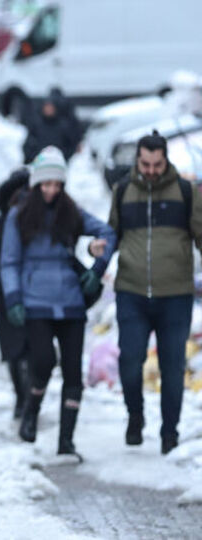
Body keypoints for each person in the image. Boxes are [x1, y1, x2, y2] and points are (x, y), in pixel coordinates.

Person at [1, 146, 116, 461]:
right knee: (42, 362)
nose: (51, 190)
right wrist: (14, 298)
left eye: (57, 184)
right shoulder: (19, 215)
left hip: (71, 304)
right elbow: (9, 262)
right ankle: (31, 414)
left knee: (73, 374)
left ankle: (66, 442)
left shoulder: (72, 213)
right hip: (36, 302)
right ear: (36, 184)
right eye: (46, 184)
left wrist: (97, 269)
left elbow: (107, 232)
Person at [104, 131, 202, 454]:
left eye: (156, 164)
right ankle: (135, 416)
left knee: (172, 366)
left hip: (175, 295)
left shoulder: (185, 192)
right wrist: (97, 250)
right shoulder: (122, 192)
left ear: (165, 160)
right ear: (138, 160)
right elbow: (111, 236)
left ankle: (169, 433)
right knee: (130, 360)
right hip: (131, 291)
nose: (150, 170)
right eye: (144, 164)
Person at [0, 167, 31, 419]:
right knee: (14, 352)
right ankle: (21, 397)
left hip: (36, 296)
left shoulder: (38, 225)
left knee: (34, 351)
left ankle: (31, 397)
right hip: (6, 298)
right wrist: (4, 277)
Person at [21, 90, 81, 164]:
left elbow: (71, 144)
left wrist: (63, 157)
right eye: (47, 107)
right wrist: (35, 157)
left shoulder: (63, 125)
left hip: (59, 163)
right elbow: (28, 144)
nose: (48, 110)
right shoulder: (36, 124)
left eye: (51, 107)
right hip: (40, 163)